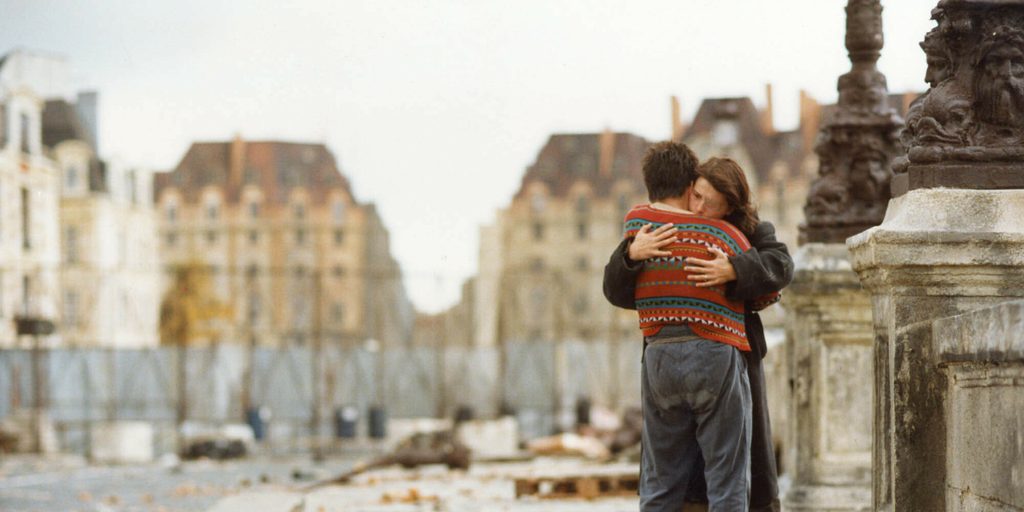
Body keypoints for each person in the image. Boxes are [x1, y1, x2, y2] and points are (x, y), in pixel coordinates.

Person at [604, 156, 792, 512]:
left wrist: (734, 268)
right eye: (698, 196)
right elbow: (615, 290)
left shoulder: (748, 231)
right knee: (700, 477)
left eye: (713, 205)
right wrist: (630, 255)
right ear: (691, 186)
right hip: (687, 353)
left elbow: (781, 267)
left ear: (731, 208)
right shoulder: (653, 232)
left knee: (719, 470)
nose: (701, 209)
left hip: (733, 355)